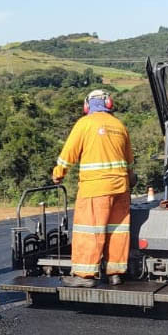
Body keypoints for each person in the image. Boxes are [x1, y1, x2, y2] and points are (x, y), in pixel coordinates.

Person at [51, 89, 136, 288]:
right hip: (121, 189)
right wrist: (129, 181)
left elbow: (68, 154)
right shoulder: (119, 125)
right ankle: (115, 273)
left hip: (95, 188)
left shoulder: (84, 124)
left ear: (87, 106)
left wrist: (58, 173)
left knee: (89, 230)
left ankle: (84, 275)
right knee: (117, 231)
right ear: (108, 103)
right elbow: (130, 163)